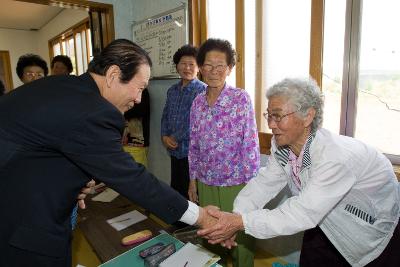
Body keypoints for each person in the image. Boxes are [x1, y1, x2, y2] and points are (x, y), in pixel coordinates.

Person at [0, 39, 216, 267]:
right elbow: (133, 178)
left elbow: (39, 151)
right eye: (140, 87)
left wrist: (72, 182)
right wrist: (201, 217)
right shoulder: (92, 111)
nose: (138, 99)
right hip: (22, 227)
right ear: (113, 75)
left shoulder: (62, 86)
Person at [199, 77, 400, 266]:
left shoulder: (334, 157)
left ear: (308, 116)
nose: (270, 125)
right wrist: (235, 216)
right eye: (269, 115)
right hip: (322, 219)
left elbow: (302, 212)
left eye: (278, 116)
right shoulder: (283, 146)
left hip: (369, 228)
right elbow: (265, 183)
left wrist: (239, 223)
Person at [188, 38, 260, 267]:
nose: (214, 71)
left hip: (236, 184)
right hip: (207, 182)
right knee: (210, 237)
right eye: (208, 65)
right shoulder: (197, 103)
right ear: (201, 67)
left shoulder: (240, 99)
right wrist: (193, 180)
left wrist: (252, 187)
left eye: (220, 66)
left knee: (240, 240)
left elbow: (250, 144)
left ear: (230, 69)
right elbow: (194, 145)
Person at [161, 44, 206, 200]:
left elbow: (196, 122)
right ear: (177, 66)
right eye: (183, 63)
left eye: (191, 64)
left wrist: (174, 137)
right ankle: (178, 223)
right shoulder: (172, 90)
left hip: (192, 152)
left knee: (192, 193)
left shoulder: (202, 91)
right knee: (176, 188)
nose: (187, 68)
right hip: (174, 150)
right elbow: (165, 115)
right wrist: (164, 136)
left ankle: (193, 224)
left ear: (199, 67)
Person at [123, 87, 150, 167]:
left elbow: (140, 111)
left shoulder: (141, 89)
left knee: (136, 175)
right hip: (117, 142)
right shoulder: (115, 88)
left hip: (136, 143)